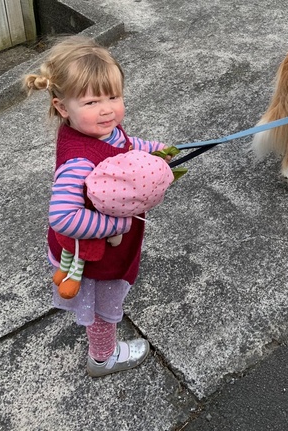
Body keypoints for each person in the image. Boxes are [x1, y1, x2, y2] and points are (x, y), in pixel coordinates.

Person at [24, 35, 173, 378]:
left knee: (102, 301)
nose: (107, 109)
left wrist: (156, 150)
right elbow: (63, 216)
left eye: (114, 97)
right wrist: (115, 226)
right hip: (96, 255)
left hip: (101, 247)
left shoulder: (102, 129)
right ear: (63, 107)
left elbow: (126, 144)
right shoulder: (79, 161)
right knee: (103, 310)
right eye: (92, 101)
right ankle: (103, 358)